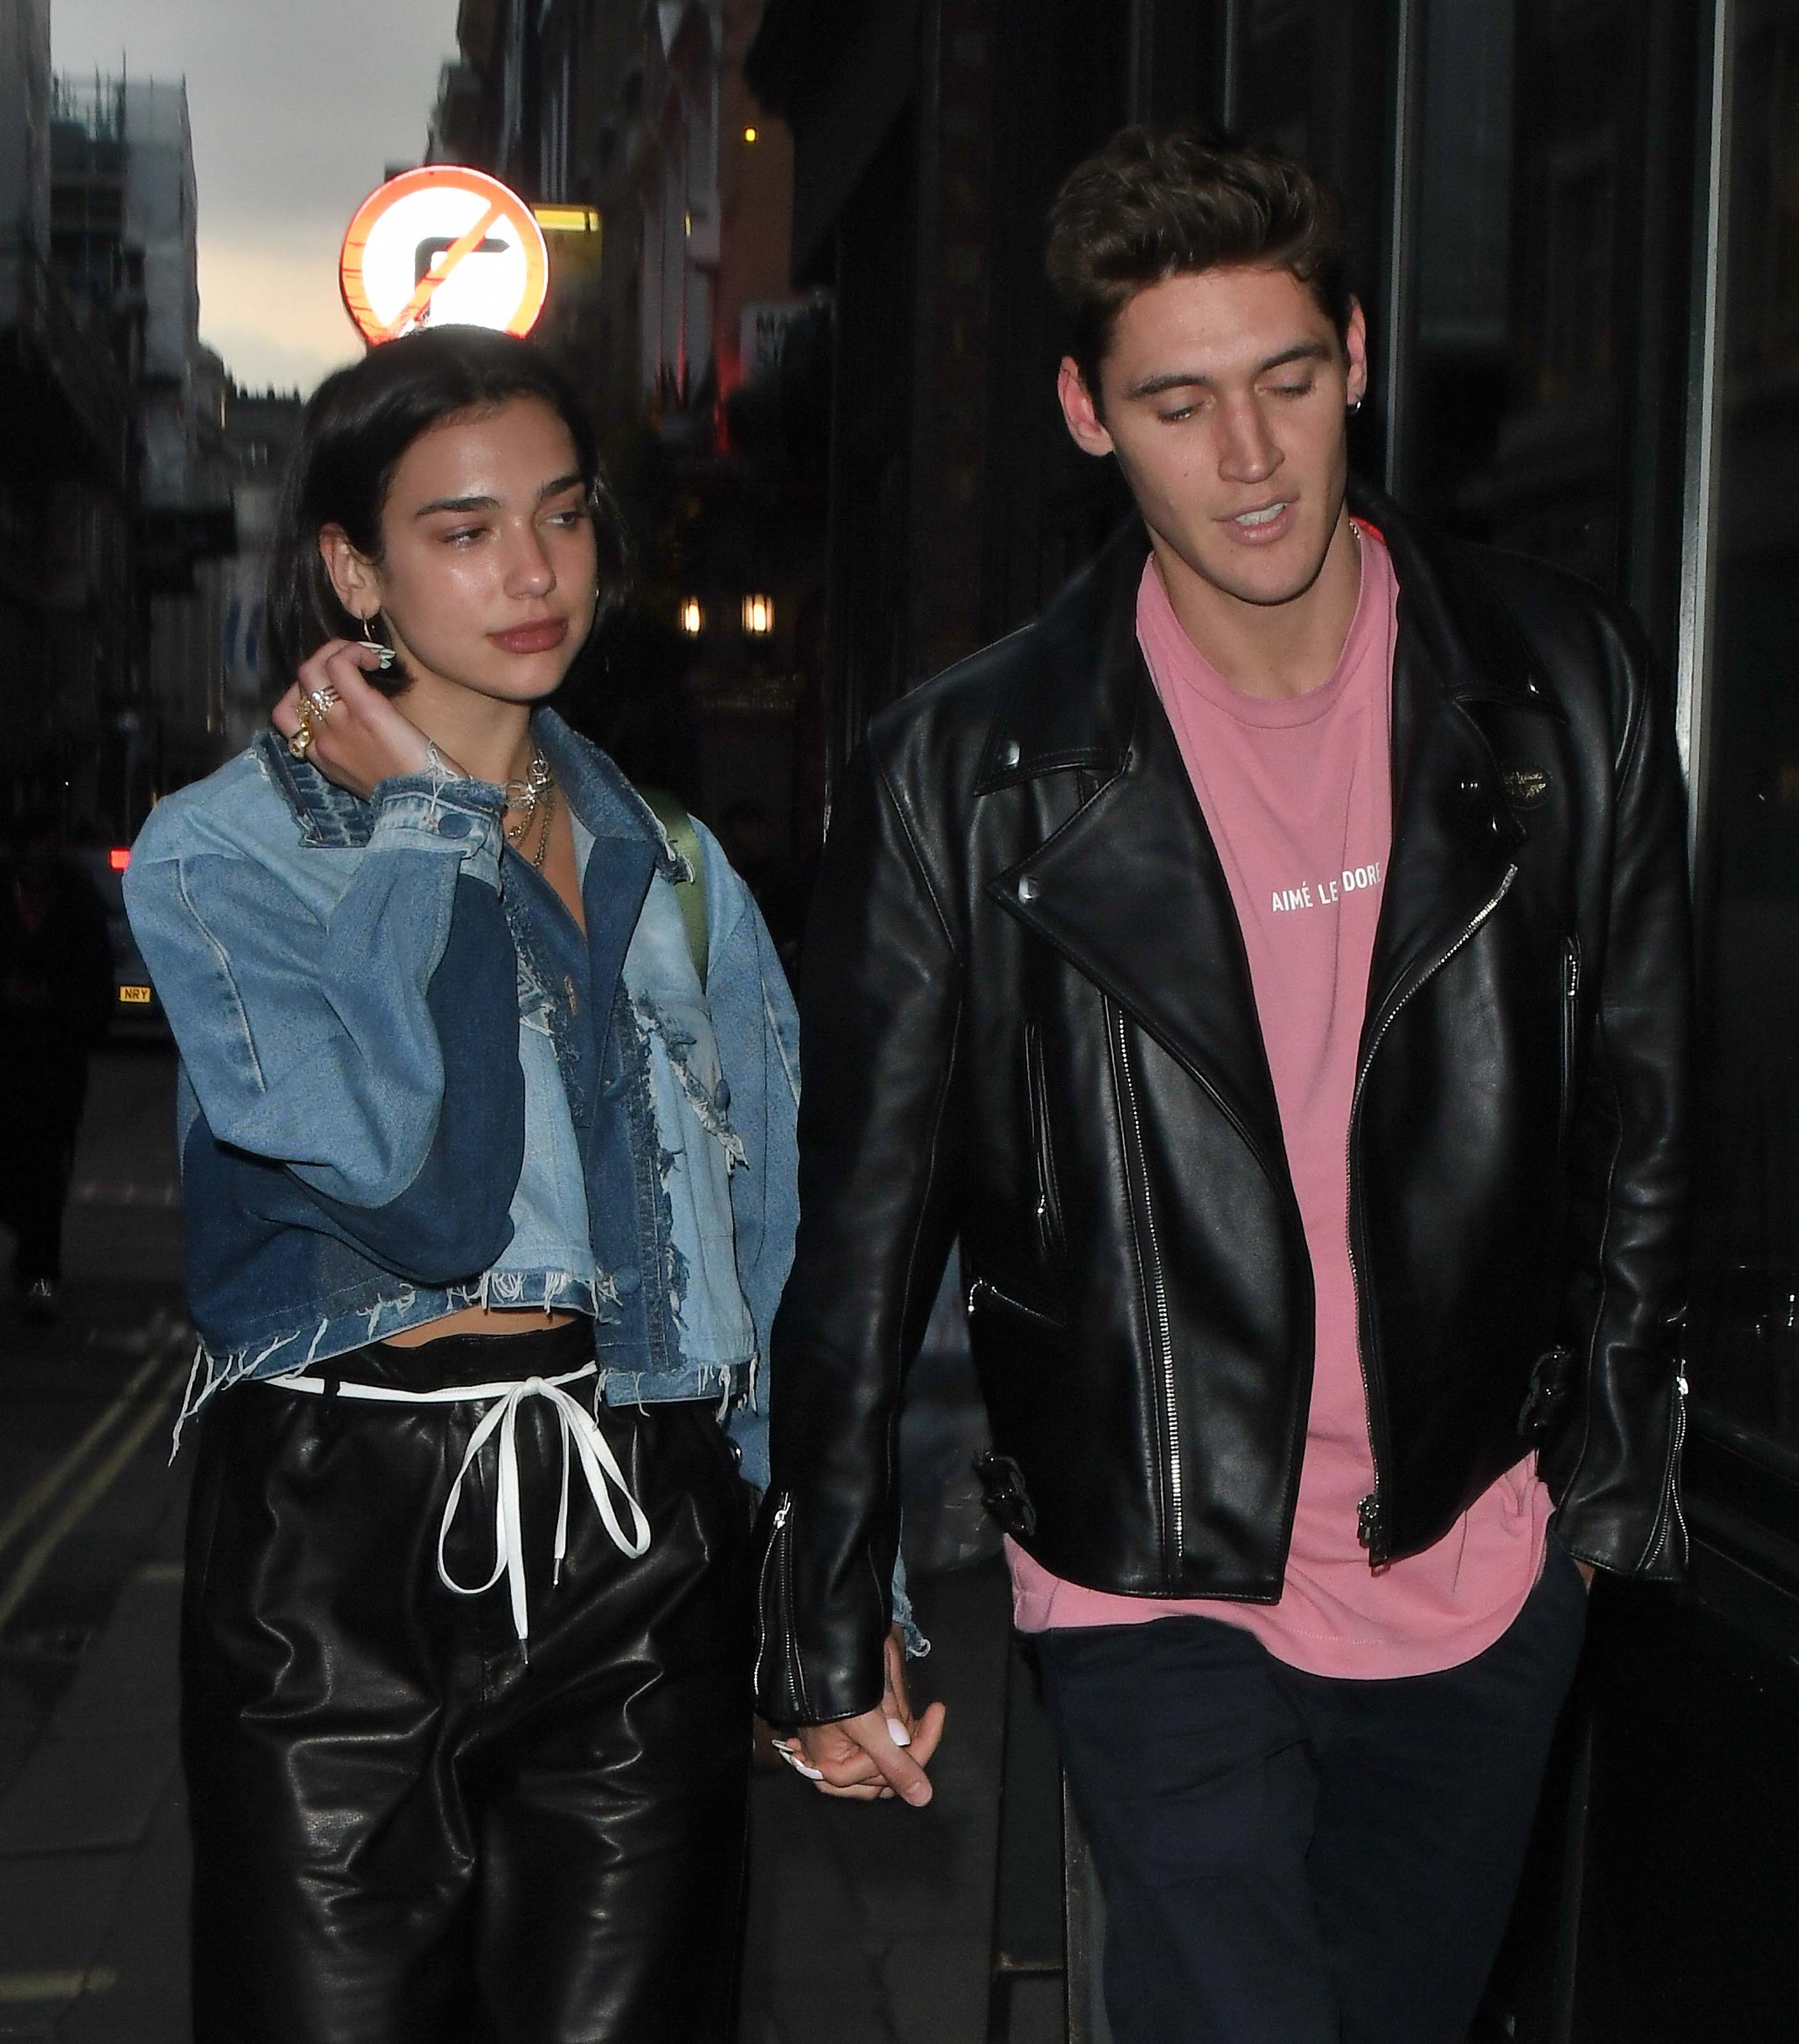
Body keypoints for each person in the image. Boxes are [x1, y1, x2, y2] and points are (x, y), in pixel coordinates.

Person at [755, 127, 1691, 2044]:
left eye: (1283, 383)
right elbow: (863, 1222)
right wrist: (822, 1596)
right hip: (1150, 1560)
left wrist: (1600, 1499)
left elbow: (1650, 1110)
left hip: (1479, 1546)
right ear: (1088, 414)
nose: (1250, 458)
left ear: (1355, 354)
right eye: (1180, 406)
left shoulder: (1558, 684)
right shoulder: (969, 770)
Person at [125, 324, 923, 2044]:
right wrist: (429, 825)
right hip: (332, 1558)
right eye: (464, 529)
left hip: (638, 1538)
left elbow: (772, 1261)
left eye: (560, 514)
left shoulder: (673, 866)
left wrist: (833, 1600)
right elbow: (421, 1195)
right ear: (355, 569)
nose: (535, 570)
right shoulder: (223, 854)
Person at [0, 813, 114, 1320]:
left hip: (54, 1059)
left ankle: (40, 1270)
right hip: (7, 1055)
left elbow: (96, 982)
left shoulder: (77, 904)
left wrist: (56, 1002)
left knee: (47, 1167)